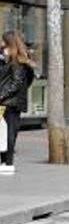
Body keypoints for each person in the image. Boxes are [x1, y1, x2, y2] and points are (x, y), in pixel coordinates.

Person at [0, 32, 34, 175]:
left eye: (4, 42)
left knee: (9, 132)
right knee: (5, 132)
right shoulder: (15, 60)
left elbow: (15, 83)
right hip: (9, 101)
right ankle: (5, 162)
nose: (2, 45)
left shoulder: (17, 62)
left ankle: (8, 163)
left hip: (10, 103)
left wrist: (1, 95)